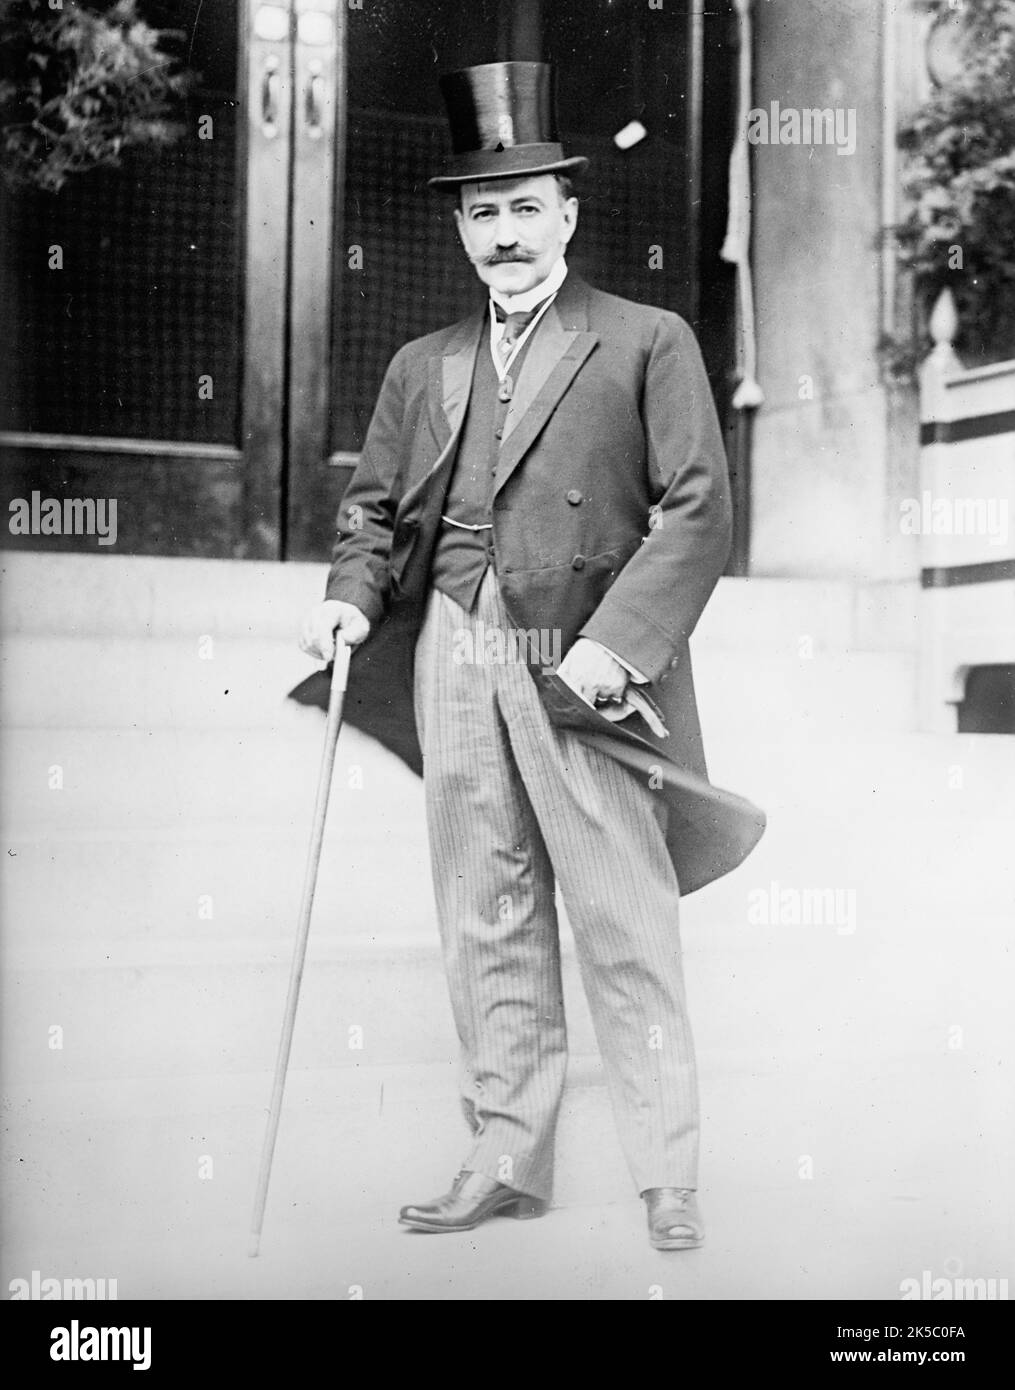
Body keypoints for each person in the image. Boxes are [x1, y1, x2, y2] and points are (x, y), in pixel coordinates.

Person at [300, 61, 763, 1251]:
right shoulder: (423, 364)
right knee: (483, 904)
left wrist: (618, 648)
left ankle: (668, 1170)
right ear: (459, 227)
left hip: (583, 657)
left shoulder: (647, 339)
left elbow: (700, 507)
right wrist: (352, 598)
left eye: (523, 208)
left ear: (566, 211)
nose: (502, 233)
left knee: (621, 910)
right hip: (453, 641)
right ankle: (506, 1153)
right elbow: (373, 507)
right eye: (481, 212)